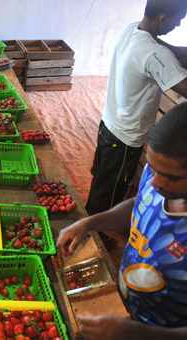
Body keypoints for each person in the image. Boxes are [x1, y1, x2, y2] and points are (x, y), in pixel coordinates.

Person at [58, 102, 187, 339]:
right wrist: (90, 223)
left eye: (171, 177)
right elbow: (140, 204)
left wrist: (139, 334)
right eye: (152, 167)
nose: (156, 183)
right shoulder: (159, 177)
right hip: (124, 309)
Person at [85, 0, 187, 216]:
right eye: (177, 21)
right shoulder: (155, 55)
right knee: (111, 193)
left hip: (109, 124)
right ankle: (97, 238)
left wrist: (179, 53)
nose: (177, 26)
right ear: (162, 18)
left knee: (102, 180)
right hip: (125, 139)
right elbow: (182, 84)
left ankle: (90, 221)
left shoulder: (134, 30)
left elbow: (164, 49)